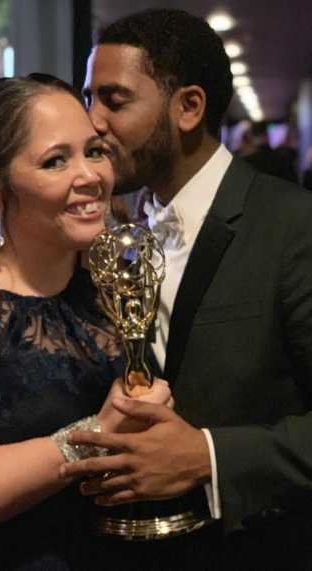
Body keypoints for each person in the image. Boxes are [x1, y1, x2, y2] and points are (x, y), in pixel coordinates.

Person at [61, 8, 312, 571]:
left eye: (114, 100)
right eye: (87, 98)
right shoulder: (112, 230)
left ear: (189, 107)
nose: (90, 122)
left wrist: (208, 456)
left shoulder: (293, 225)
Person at [0, 73, 172, 570]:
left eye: (93, 151)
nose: (89, 175)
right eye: (55, 161)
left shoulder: (107, 276)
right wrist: (93, 434)